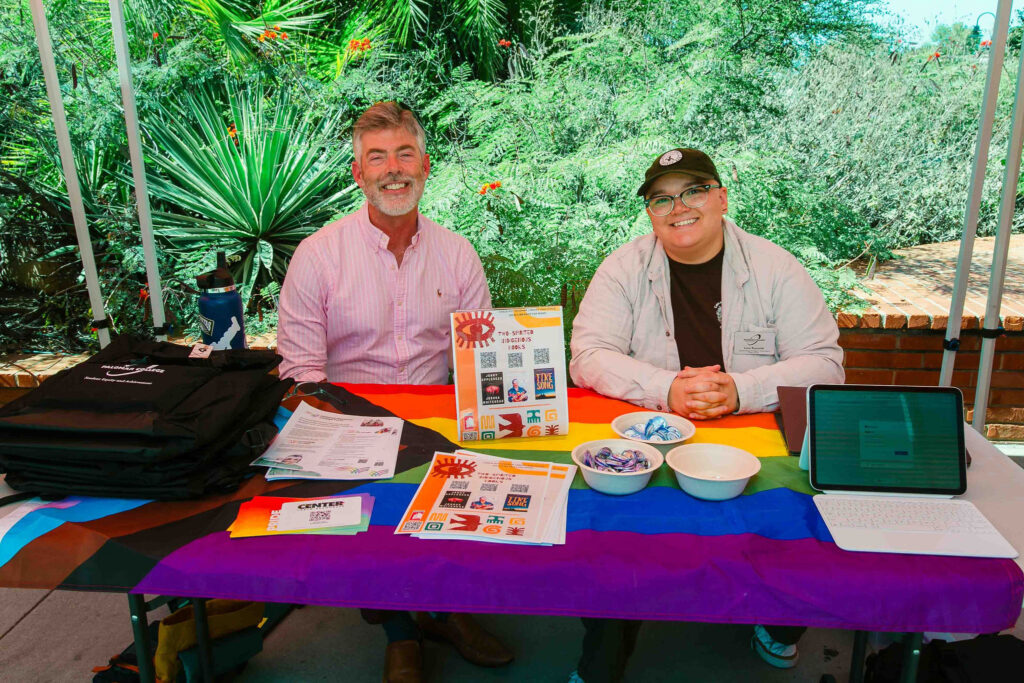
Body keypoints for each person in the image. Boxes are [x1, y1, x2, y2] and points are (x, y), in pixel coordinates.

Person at [568, 148, 844, 682]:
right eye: (662, 198)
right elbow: (588, 354)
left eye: (693, 191)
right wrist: (665, 387)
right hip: (655, 438)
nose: (679, 207)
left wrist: (740, 390)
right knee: (616, 534)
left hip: (752, 438)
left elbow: (826, 363)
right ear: (650, 212)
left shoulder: (775, 267)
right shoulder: (623, 268)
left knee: (797, 521)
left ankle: (780, 622)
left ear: (720, 197)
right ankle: (604, 652)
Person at [277, 102, 512, 683]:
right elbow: (300, 374)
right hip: (347, 419)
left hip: (438, 417)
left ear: (425, 165)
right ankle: (401, 630)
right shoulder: (319, 255)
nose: (393, 168)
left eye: (404, 153)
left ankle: (448, 608)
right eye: (376, 157)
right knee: (373, 508)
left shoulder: (458, 254)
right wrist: (346, 436)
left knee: (488, 481)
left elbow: (481, 358)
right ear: (359, 175)